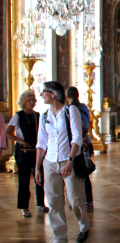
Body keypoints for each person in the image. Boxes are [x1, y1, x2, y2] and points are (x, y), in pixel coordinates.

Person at [35, 81, 91, 243]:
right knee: (53, 203)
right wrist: (38, 168)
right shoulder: (44, 115)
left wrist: (69, 161)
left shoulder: (70, 110)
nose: (41, 95)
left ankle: (84, 224)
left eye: (44, 91)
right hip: (50, 162)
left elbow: (77, 138)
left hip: (69, 161)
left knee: (75, 201)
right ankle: (59, 238)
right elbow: (41, 143)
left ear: (53, 94)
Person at [5, 90, 48, 217]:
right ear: (23, 102)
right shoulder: (18, 116)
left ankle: (41, 203)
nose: (31, 102)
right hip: (23, 152)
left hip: (36, 151)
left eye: (33, 100)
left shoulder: (37, 115)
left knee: (39, 178)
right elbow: (8, 132)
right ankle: (25, 206)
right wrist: (20, 140)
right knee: (24, 180)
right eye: (29, 100)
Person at [65, 87, 95, 212]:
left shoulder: (71, 110)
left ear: (67, 97)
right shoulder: (84, 107)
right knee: (81, 173)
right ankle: (82, 199)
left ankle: (86, 200)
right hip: (86, 143)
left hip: (80, 146)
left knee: (82, 173)